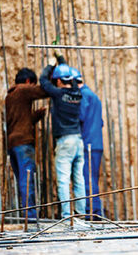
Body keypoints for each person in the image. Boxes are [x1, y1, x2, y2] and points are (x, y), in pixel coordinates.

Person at [39, 52, 86, 220]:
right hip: (78, 140)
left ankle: (66, 216)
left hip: (65, 141)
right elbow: (70, 77)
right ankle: (81, 214)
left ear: (58, 81)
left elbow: (43, 81)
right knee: (79, 179)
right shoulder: (77, 93)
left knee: (64, 180)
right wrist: (61, 60)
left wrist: (51, 64)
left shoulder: (58, 95)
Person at [6, 68, 48, 219]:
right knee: (27, 180)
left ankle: (27, 215)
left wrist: (36, 115)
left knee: (22, 180)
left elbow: (20, 120)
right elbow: (44, 91)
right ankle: (30, 217)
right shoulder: (23, 90)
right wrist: (47, 73)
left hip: (12, 143)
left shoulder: (10, 95)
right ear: (29, 82)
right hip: (23, 143)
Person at [70, 67, 104, 218]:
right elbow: (100, 122)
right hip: (97, 143)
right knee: (92, 179)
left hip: (88, 144)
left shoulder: (83, 96)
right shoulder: (94, 96)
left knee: (87, 180)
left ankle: (93, 214)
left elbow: (80, 116)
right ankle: (94, 212)